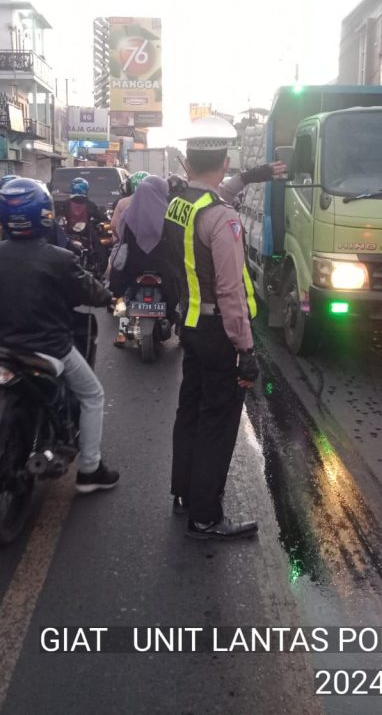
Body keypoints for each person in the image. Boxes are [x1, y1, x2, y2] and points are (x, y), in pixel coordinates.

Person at [0, 178, 119, 493]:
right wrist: (108, 297)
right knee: (93, 396)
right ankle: (89, 470)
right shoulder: (60, 257)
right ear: (43, 213)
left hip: (2, 347)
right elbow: (91, 292)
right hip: (50, 347)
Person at [161, 116, 265, 541]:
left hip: (190, 326)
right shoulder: (222, 219)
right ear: (223, 161)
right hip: (220, 333)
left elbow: (218, 190)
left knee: (190, 411)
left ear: (188, 164)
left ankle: (184, 493)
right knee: (217, 423)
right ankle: (205, 516)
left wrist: (254, 176)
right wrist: (247, 349)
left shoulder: (180, 204)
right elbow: (231, 293)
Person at [107, 175, 176, 347]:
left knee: (120, 294)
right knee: (177, 292)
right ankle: (178, 327)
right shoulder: (170, 214)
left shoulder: (128, 214)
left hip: (133, 266)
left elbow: (120, 237)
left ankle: (122, 334)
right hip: (163, 267)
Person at [110, 171, 148, 238]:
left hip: (127, 243)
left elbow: (114, 225)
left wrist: (121, 239)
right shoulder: (158, 201)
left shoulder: (122, 202)